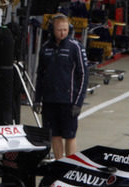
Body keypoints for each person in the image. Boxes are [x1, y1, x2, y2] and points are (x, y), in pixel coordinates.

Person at [34, 14, 88, 160]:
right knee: (54, 135)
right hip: (50, 100)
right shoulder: (45, 48)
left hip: (68, 101)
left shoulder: (75, 47)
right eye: (59, 30)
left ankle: (70, 166)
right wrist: (37, 99)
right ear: (52, 29)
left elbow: (83, 75)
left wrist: (78, 102)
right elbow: (40, 76)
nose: (62, 33)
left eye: (65, 30)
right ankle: (59, 163)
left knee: (70, 136)